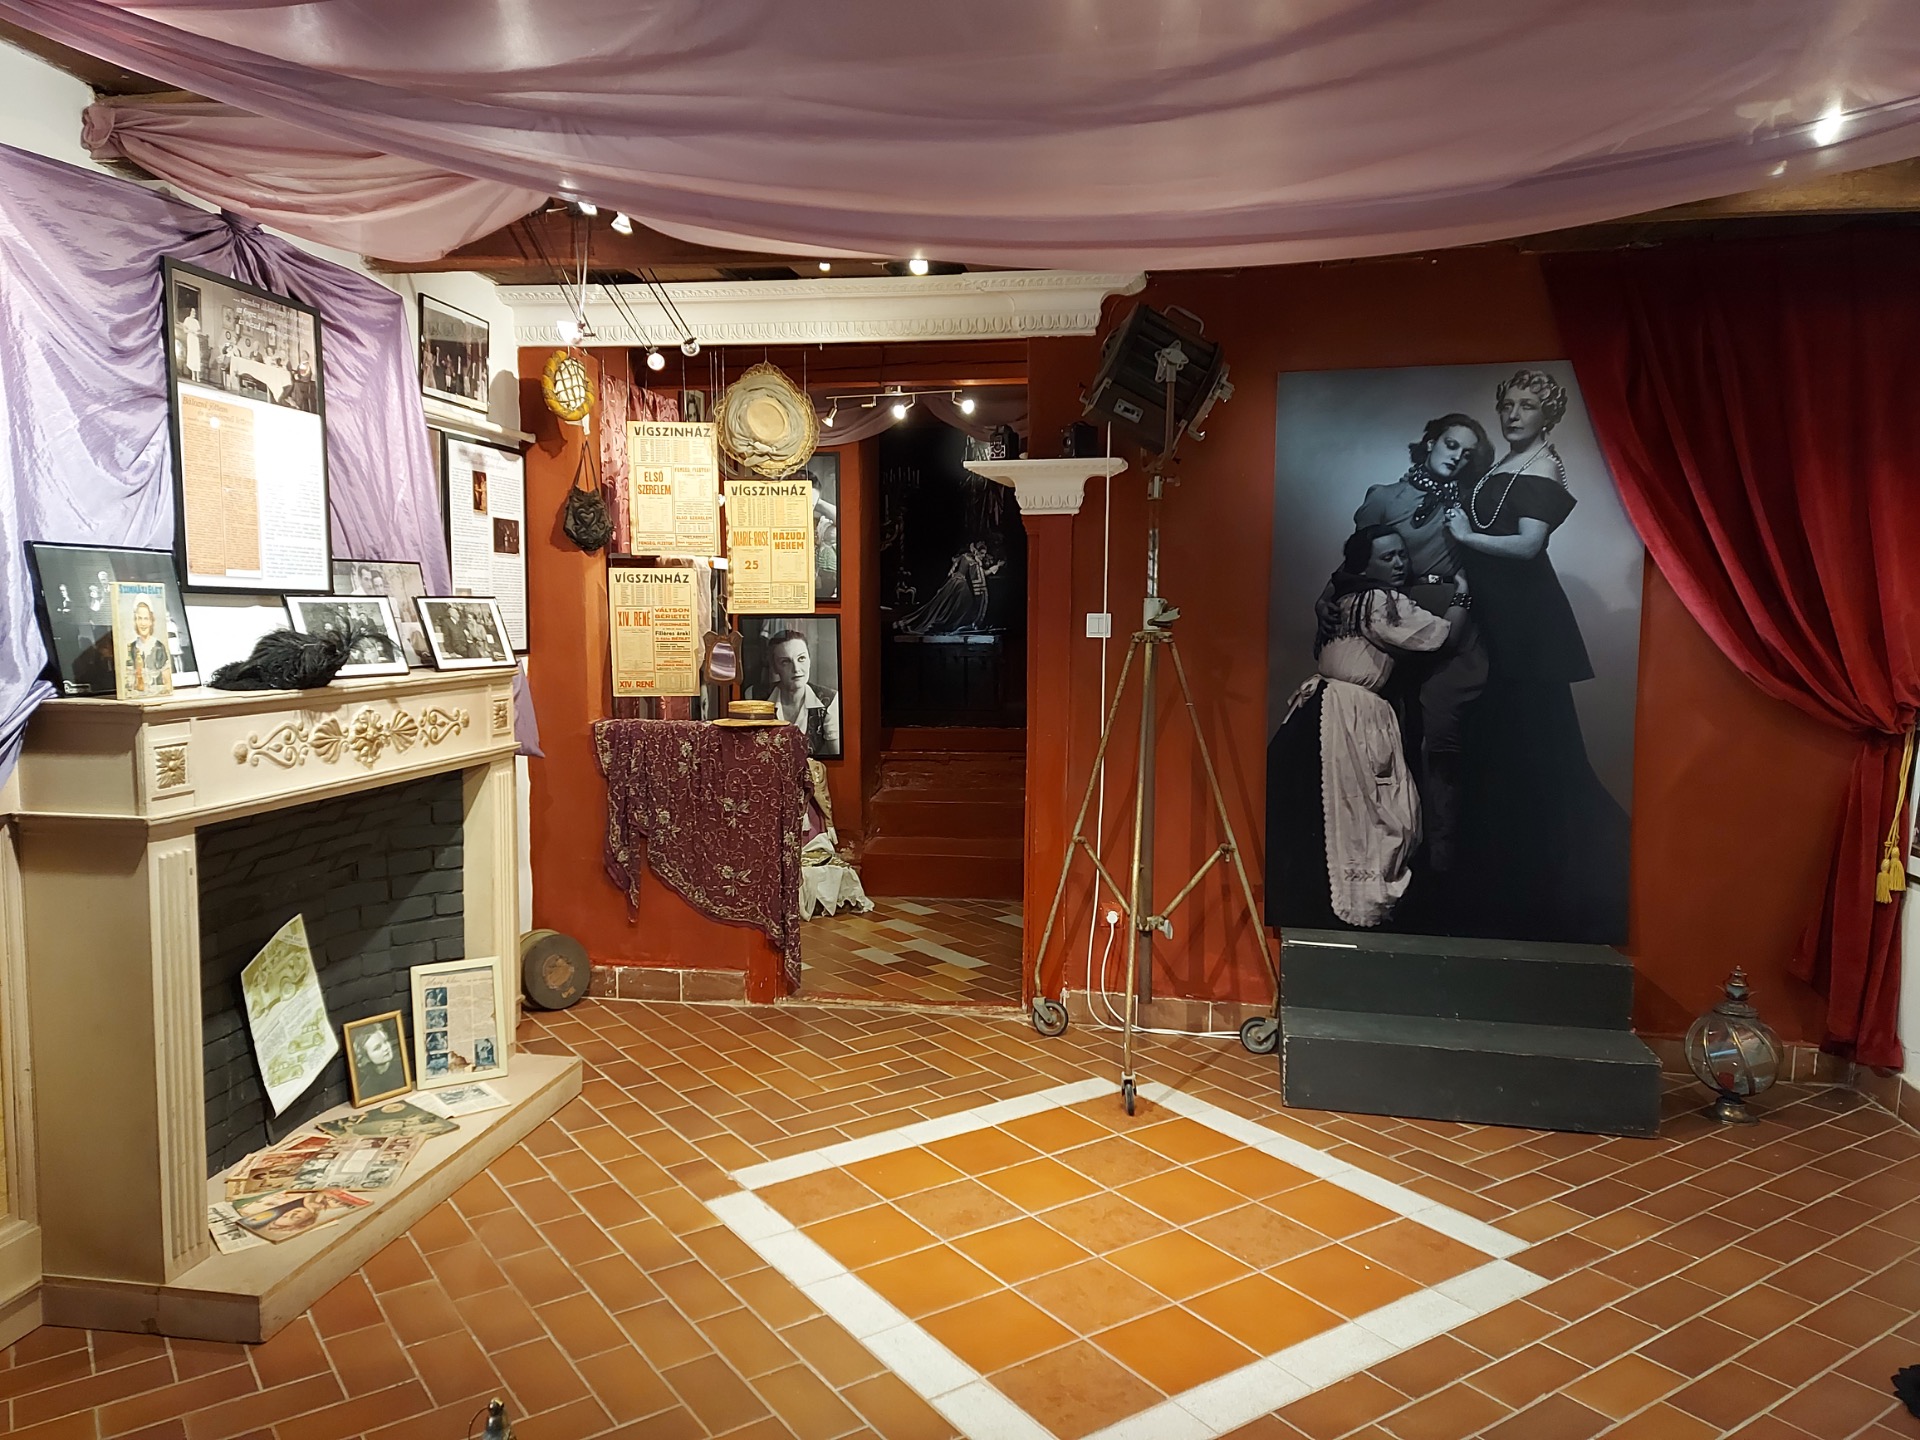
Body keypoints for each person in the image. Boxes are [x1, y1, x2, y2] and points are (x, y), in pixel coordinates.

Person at [1443, 369, 1630, 942]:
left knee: (1537, 745)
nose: (1514, 415)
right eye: (1508, 405)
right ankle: (1495, 866)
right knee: (1499, 739)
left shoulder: (1544, 466)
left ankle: (1542, 875)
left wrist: (1465, 538)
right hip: (1495, 613)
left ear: (1547, 415)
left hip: (1527, 622)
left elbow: (1528, 546)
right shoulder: (1505, 462)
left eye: (1527, 406)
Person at [1267, 524, 1467, 928]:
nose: (1399, 563)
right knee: (1361, 813)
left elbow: (1339, 579)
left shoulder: (1342, 597)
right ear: (1365, 565)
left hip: (1318, 711)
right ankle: (1349, 910)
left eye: (1401, 554)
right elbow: (1442, 638)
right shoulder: (1378, 600)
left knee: (1331, 813)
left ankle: (1319, 907)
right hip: (1347, 715)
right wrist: (1464, 594)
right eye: (1387, 557)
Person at [1343, 412, 1494, 874]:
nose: (1457, 457)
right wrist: (1327, 600)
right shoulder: (1385, 497)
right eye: (1451, 445)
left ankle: (1444, 860)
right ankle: (1396, 854)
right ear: (1430, 442)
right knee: (1392, 738)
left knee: (1442, 736)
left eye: (1467, 453)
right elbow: (1354, 559)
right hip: (1398, 623)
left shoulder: (1474, 501)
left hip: (1455, 620)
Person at [759, 628, 841, 756]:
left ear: (809, 660)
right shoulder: (756, 697)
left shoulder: (829, 700)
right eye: (785, 662)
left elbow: (838, 758)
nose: (796, 669)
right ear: (774, 667)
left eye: (801, 658)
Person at [123, 598, 171, 695]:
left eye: (146, 619)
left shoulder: (158, 647)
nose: (143, 623)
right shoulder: (132, 647)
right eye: (139, 618)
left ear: (151, 621)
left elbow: (167, 682)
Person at [351, 1023, 406, 1100]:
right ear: (366, 1057)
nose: (386, 1048)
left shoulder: (404, 1070)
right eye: (377, 1048)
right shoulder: (365, 1089)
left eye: (385, 1041)